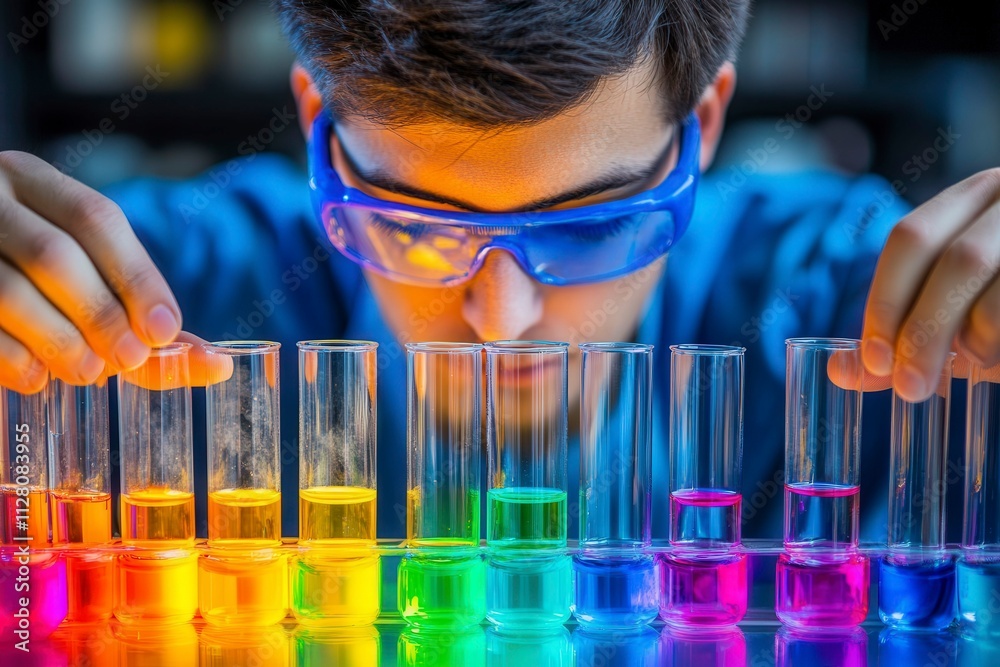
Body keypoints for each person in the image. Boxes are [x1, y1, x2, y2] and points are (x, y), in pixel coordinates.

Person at [0, 0, 997, 541]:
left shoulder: (863, 309)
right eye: (415, 224)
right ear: (318, 126)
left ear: (701, 126)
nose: (501, 316)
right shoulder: (148, 304)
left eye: (590, 225)